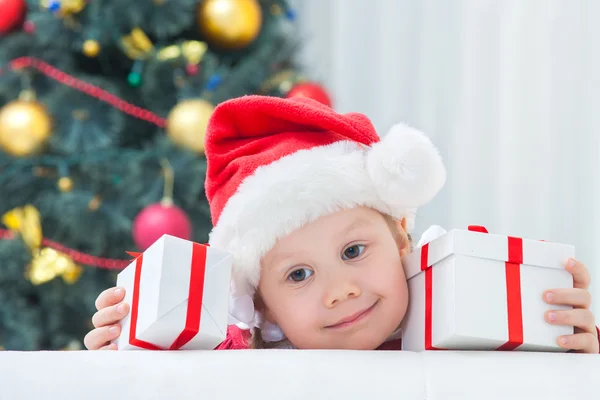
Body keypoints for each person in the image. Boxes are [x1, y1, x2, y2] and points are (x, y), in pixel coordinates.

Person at [84, 96, 599, 353]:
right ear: (260, 303)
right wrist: (127, 346)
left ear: (402, 237)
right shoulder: (241, 358)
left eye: (354, 251)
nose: (339, 291)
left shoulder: (467, 308)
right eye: (298, 275)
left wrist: (580, 343)